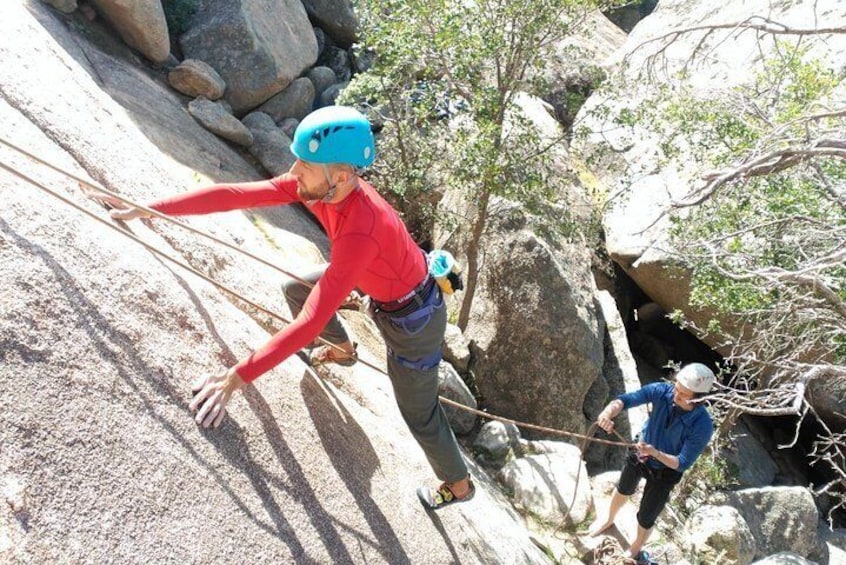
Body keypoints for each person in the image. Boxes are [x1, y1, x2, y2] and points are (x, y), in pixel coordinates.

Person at [90, 106, 474, 510]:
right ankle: (344, 352)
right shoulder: (321, 185)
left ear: (340, 177)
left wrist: (234, 379)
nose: (293, 170)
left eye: (305, 164)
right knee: (296, 289)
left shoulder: (361, 227)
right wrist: (147, 207)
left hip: (413, 322)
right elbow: (235, 195)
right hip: (376, 280)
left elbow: (310, 324)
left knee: (420, 414)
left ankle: (459, 485)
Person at [589, 363, 716, 562]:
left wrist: (655, 453)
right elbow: (626, 400)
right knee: (624, 488)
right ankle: (608, 519)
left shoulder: (702, 426)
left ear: (698, 399)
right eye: (676, 388)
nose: (676, 395)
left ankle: (636, 547)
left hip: (666, 470)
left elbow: (682, 462)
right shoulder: (662, 391)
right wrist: (607, 413)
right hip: (641, 451)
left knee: (647, 515)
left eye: (684, 394)